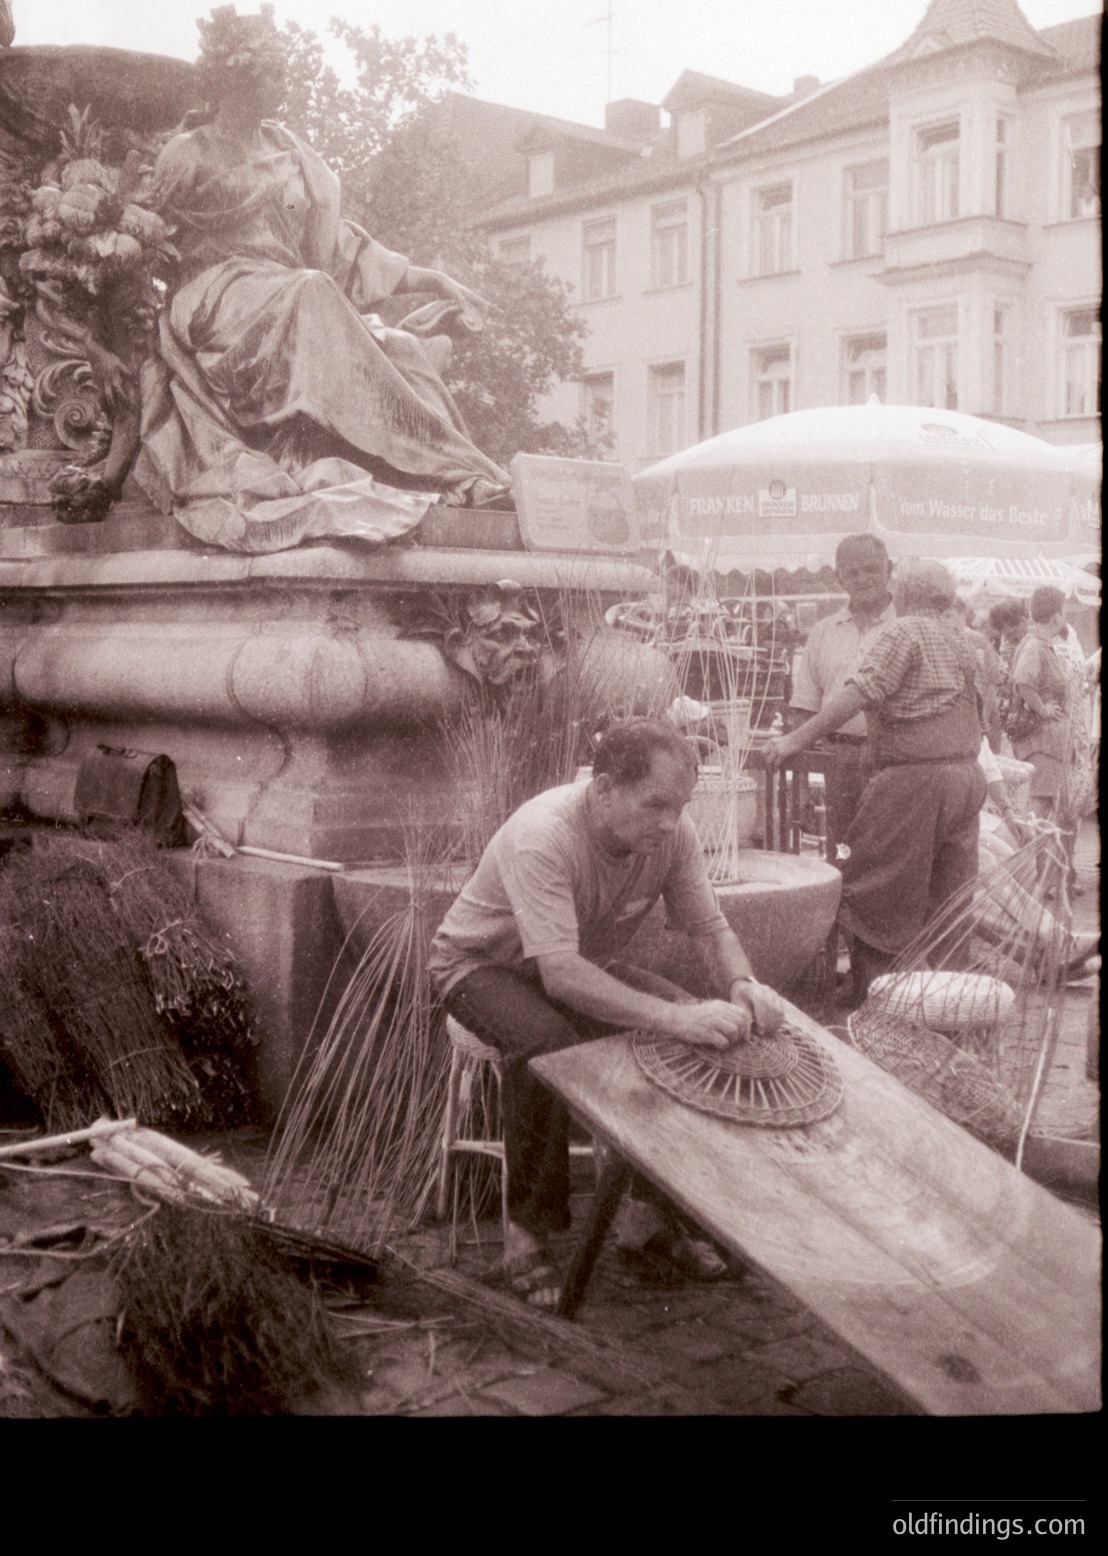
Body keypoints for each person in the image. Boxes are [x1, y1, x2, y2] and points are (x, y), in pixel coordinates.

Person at [429, 718, 784, 1310]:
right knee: (550, 1044)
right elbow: (559, 976)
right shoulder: (544, 833)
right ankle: (526, 1234)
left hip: (568, 963)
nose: (670, 822)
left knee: (693, 1028)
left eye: (681, 805)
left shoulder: (672, 833)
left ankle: (647, 1224)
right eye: (656, 805)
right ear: (604, 789)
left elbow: (708, 926)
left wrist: (743, 983)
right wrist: (671, 1019)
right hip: (478, 965)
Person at [132, 6, 510, 554]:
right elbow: (143, 245)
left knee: (398, 346)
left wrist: (437, 282)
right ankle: (452, 470)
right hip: (216, 298)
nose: (285, 82)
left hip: (290, 296)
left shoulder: (292, 155)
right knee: (311, 292)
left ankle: (457, 474)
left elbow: (345, 251)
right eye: (274, 72)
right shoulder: (188, 154)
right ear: (237, 75)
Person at [765, 559, 985, 999]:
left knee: (873, 891)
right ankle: (954, 1002)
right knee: (949, 898)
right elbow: (985, 710)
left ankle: (879, 997)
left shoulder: (902, 631)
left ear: (904, 593)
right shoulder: (964, 639)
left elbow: (861, 692)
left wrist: (796, 738)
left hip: (915, 779)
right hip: (965, 777)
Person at [788, 533, 895, 861]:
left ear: (889, 569)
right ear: (840, 578)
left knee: (889, 854)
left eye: (871, 569)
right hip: (840, 761)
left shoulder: (907, 625)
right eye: (853, 573)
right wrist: (802, 782)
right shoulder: (823, 631)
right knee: (842, 854)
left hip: (894, 760)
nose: (863, 579)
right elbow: (804, 708)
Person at [1007, 586, 1091, 823]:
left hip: (1048, 745)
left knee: (1045, 805)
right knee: (1041, 804)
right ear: (1056, 617)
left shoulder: (1038, 643)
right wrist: (1043, 710)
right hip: (1042, 744)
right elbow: (1023, 681)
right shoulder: (1035, 646)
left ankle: (1039, 856)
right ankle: (1033, 856)